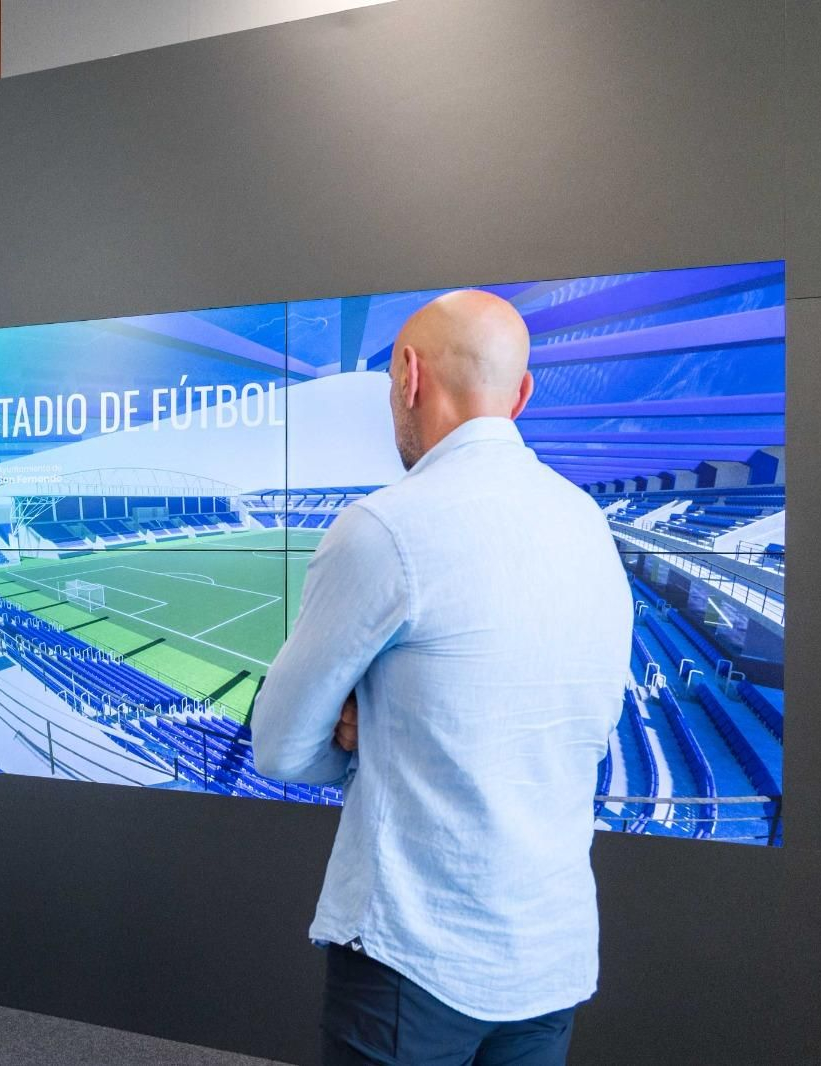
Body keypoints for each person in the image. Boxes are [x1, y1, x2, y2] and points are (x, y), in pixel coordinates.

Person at [252, 290, 632, 1066]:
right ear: (521, 394)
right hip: (549, 955)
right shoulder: (589, 525)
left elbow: (280, 750)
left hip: (414, 957)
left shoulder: (387, 527)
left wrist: (367, 740)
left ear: (407, 375)